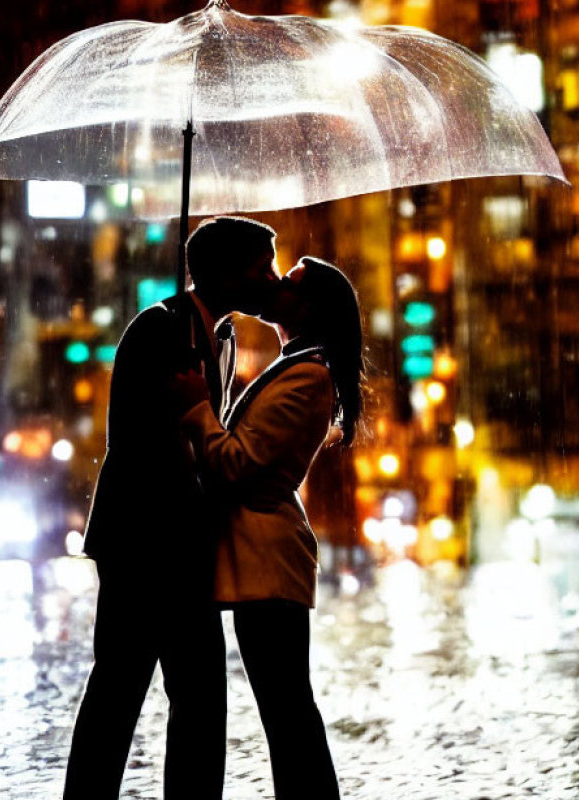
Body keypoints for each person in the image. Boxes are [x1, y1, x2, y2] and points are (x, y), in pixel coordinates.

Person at [63, 216, 280, 800]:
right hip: (144, 540)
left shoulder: (224, 336)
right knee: (122, 686)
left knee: (198, 697)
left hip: (185, 546)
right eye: (263, 268)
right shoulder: (159, 330)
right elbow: (146, 447)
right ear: (226, 272)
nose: (272, 280)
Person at [174, 256, 364, 800]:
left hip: (268, 558)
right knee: (286, 711)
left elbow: (236, 463)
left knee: (286, 712)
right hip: (257, 556)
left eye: (290, 283)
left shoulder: (308, 375)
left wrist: (196, 408)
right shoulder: (295, 363)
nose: (277, 284)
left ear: (309, 308)